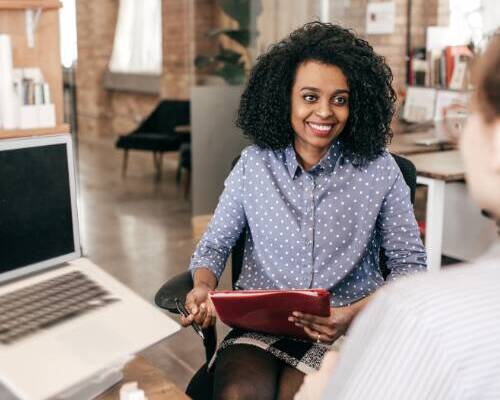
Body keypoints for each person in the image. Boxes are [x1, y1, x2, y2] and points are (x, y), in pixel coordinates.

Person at [182, 22, 426, 400]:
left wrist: (352, 315)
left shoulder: (379, 170)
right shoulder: (254, 166)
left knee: (305, 395)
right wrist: (202, 286)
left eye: (339, 99)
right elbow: (213, 247)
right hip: (259, 330)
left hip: (343, 327)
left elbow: (410, 270)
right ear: (285, 98)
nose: (325, 113)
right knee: (237, 395)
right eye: (310, 97)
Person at [317, 34, 500, 400]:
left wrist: (319, 394)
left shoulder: (418, 317)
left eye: (469, 115)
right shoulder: (254, 165)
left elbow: (409, 263)